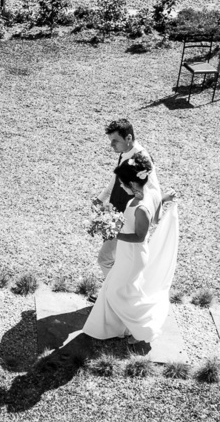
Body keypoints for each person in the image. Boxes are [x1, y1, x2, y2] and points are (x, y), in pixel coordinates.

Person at [76, 151, 179, 344]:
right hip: (127, 255)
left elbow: (140, 236)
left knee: (117, 294)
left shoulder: (141, 207)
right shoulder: (151, 194)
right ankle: (115, 328)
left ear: (131, 183)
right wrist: (164, 199)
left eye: (122, 183)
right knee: (117, 290)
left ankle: (143, 330)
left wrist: (114, 233)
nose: (121, 186)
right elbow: (157, 206)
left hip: (133, 256)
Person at [94, 118, 159, 272]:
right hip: (117, 210)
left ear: (128, 138)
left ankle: (110, 293)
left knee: (104, 259)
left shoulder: (141, 159)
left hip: (127, 217)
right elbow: (114, 180)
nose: (111, 145)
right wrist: (100, 199)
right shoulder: (125, 152)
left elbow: (152, 190)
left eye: (115, 141)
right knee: (117, 258)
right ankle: (113, 291)